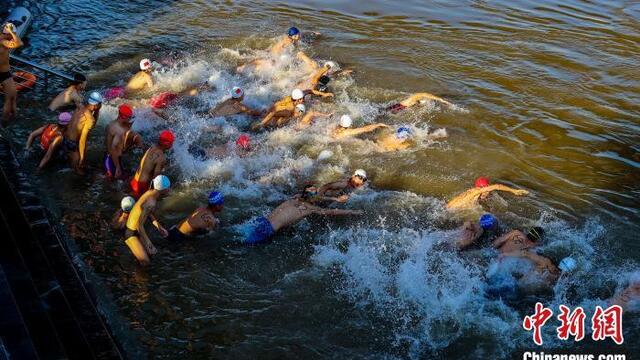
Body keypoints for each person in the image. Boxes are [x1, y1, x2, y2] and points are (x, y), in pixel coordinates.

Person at [244, 184, 363, 244]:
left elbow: (317, 197)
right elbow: (331, 212)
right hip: (266, 231)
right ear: (313, 198)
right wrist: (352, 211)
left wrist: (335, 199)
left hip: (261, 221)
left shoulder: (295, 198)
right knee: (243, 245)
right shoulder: (308, 208)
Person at [486, 251, 576, 298]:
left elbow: (526, 253)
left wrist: (505, 254)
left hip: (511, 284)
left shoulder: (545, 264)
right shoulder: (561, 283)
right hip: (517, 294)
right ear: (569, 272)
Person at [124, 175, 171, 265]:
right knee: (146, 262)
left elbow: (147, 213)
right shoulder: (152, 202)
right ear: (163, 189)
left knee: (152, 254)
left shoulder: (150, 192)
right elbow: (139, 225)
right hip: (131, 233)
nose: (169, 189)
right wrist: (148, 242)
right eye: (168, 187)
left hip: (135, 230)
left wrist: (158, 226)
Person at [63, 91, 103, 172]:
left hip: (64, 138)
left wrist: (97, 111)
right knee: (78, 168)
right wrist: (81, 157)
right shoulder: (89, 119)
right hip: (72, 144)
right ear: (96, 105)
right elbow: (82, 140)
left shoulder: (80, 106)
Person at [130, 130, 174, 198]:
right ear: (167, 144)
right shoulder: (161, 158)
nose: (172, 145)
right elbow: (156, 180)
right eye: (171, 143)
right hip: (142, 187)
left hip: (134, 181)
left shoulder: (151, 147)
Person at [446, 177, 529, 211]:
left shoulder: (475, 191)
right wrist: (514, 191)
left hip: (449, 207)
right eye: (487, 190)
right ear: (481, 189)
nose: (488, 192)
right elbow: (497, 186)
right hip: (451, 211)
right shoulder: (476, 192)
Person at [105, 104, 142, 179]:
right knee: (121, 180)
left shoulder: (111, 124)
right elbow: (113, 149)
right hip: (113, 161)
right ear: (124, 117)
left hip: (107, 157)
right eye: (129, 118)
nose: (130, 120)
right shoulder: (119, 131)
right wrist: (118, 167)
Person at [0, 22, 24, 125]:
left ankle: (14, 115)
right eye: (13, 33)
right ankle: (4, 123)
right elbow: (19, 43)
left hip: (5, 73)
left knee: (13, 94)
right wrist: (12, 32)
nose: (13, 35)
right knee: (9, 99)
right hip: (3, 73)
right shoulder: (3, 41)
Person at [384, 92, 453, 114]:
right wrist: (445, 102)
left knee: (384, 113)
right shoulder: (423, 95)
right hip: (399, 107)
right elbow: (437, 98)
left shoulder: (418, 98)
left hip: (400, 107)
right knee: (384, 113)